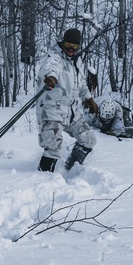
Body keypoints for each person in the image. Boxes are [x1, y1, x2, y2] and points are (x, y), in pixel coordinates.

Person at [36, 28, 98, 171]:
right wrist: (51, 78)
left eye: (75, 46)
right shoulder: (54, 57)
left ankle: (69, 168)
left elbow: (81, 83)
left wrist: (89, 99)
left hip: (71, 111)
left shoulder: (77, 61)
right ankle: (43, 181)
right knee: (53, 146)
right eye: (68, 45)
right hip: (52, 109)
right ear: (63, 43)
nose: (71, 49)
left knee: (89, 139)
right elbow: (51, 68)